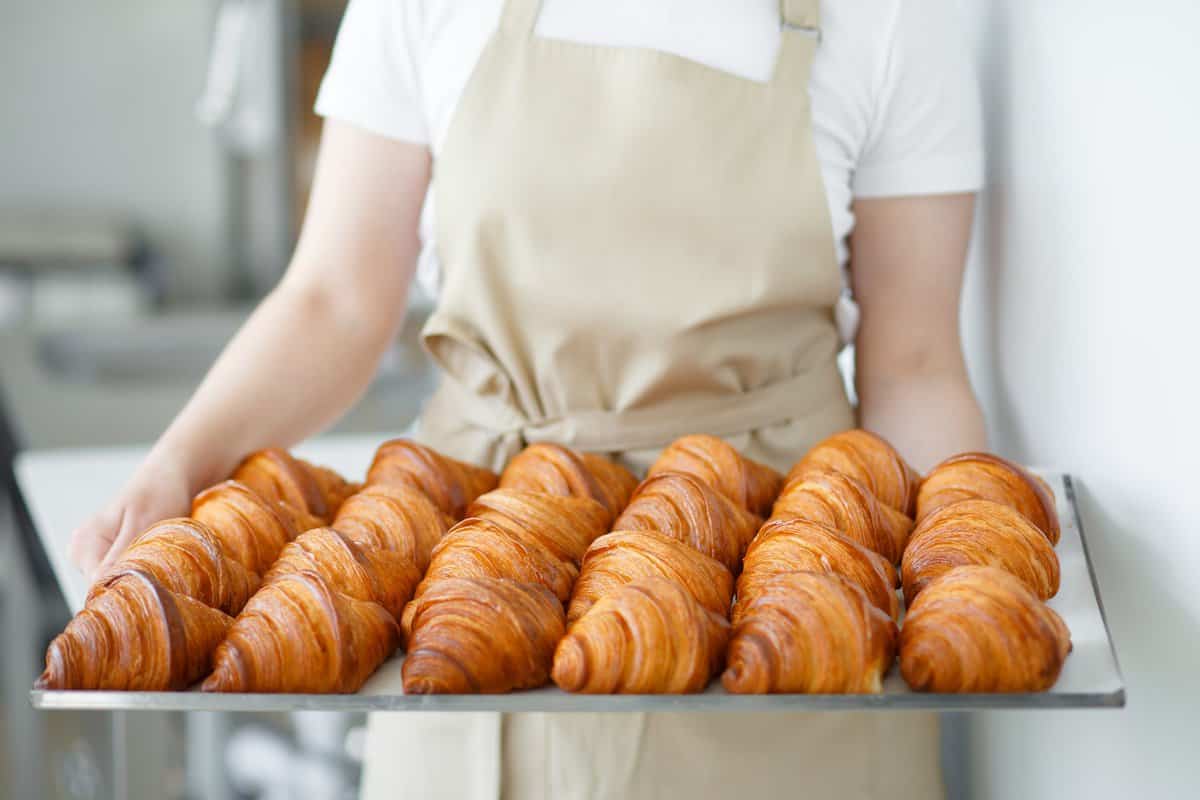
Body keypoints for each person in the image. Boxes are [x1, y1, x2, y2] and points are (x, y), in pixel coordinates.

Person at [71, 0, 986, 797]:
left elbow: (914, 361)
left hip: (781, 577)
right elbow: (334, 303)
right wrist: (175, 465)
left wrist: (962, 581)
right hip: (476, 554)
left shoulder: (892, 13)